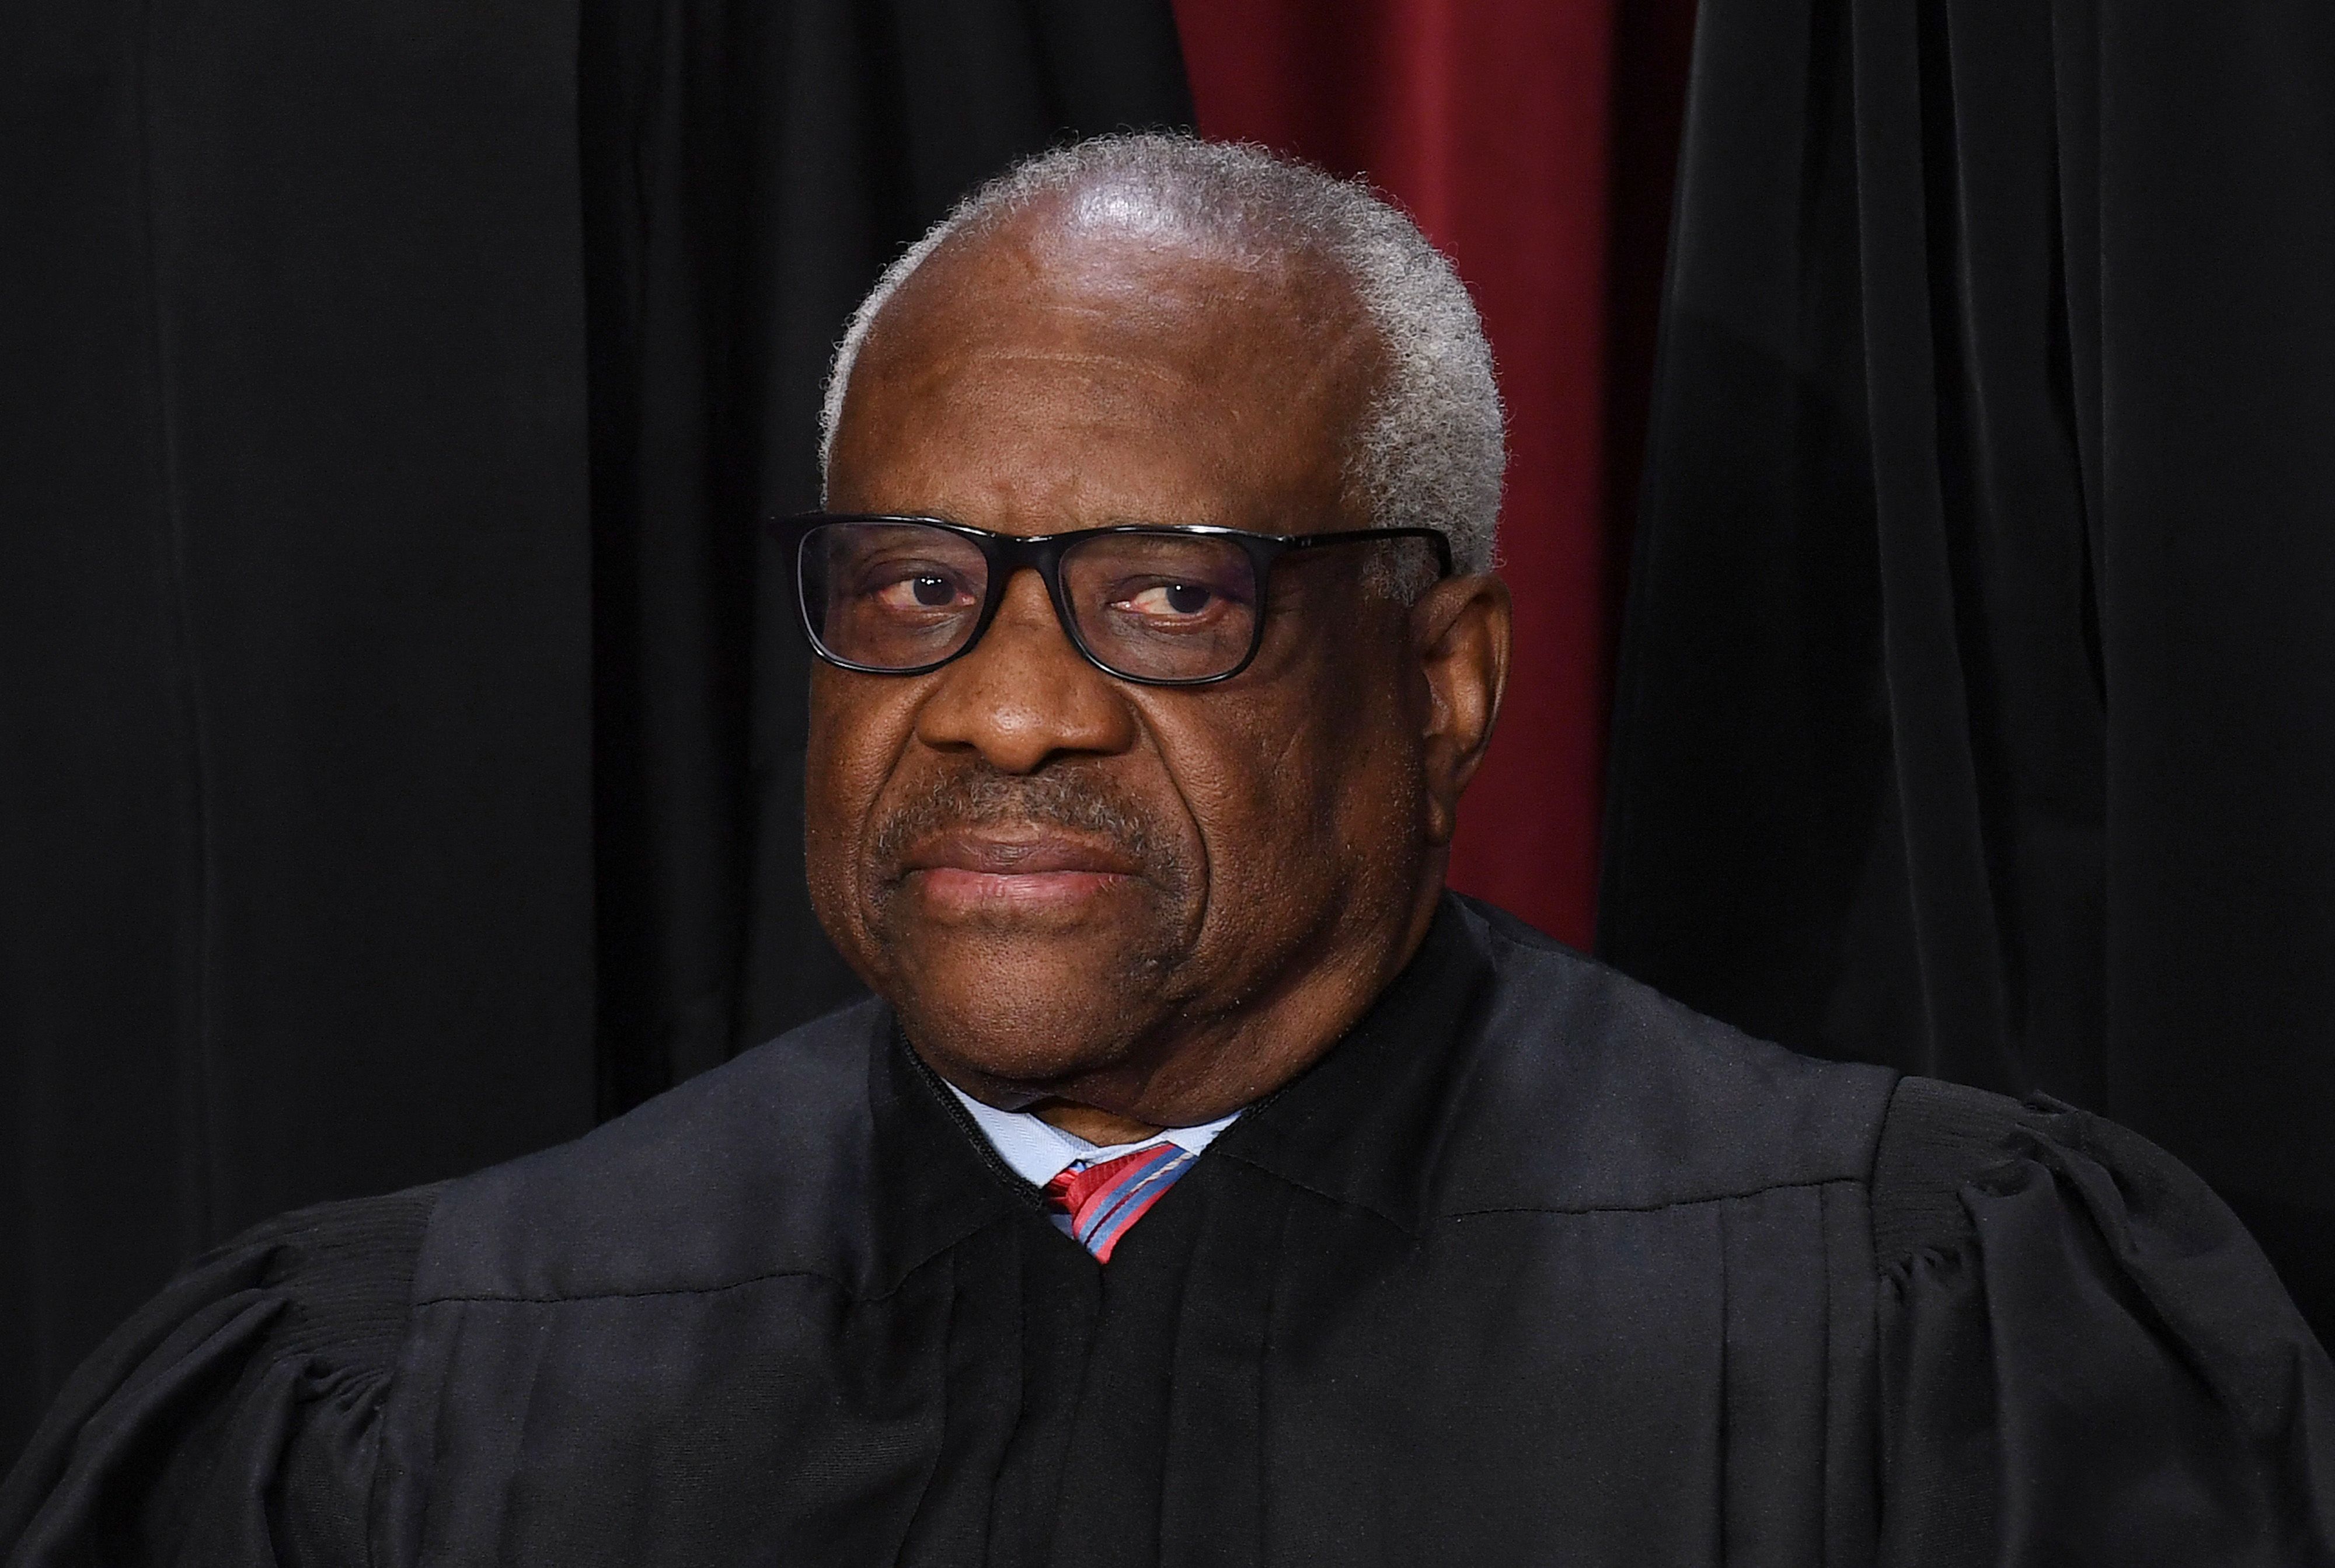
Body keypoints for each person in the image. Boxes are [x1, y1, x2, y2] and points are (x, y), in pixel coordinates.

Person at [4, 133, 2330, 1567]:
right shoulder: (417, 1397)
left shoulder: (1910, 1343)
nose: (1005, 705)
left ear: (1444, 682)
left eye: (1168, 596)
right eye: (914, 583)